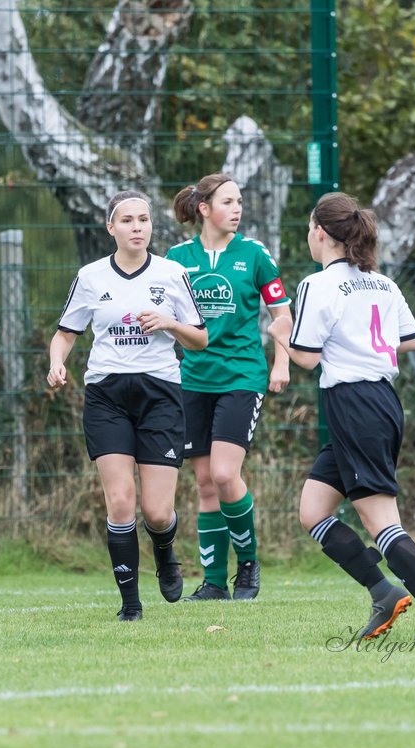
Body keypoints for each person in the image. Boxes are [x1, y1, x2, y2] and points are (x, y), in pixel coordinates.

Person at [267, 191, 415, 641]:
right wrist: (365, 343)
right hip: (379, 403)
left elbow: (305, 358)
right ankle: (382, 592)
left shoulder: (317, 285)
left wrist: (280, 331)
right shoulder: (381, 282)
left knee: (382, 523)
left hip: (356, 404)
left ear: (320, 232)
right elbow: (412, 340)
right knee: (313, 511)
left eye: (308, 229)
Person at [47, 190, 208, 621]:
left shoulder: (173, 274)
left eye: (144, 219)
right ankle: (130, 605)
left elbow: (200, 338)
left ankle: (165, 551)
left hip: (160, 395)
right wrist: (56, 363)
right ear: (111, 228)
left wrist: (170, 323)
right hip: (107, 396)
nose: (138, 227)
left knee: (157, 512)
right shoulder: (91, 276)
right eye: (128, 220)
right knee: (120, 502)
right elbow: (65, 333)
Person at [166, 173, 293, 601]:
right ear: (204, 209)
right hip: (193, 379)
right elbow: (167, 321)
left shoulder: (254, 255)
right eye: (228, 202)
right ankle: (215, 582)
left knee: (224, 474)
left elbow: (282, 315)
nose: (237, 209)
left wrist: (281, 363)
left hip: (242, 376)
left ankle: (249, 565)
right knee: (203, 483)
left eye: (240, 201)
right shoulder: (177, 258)